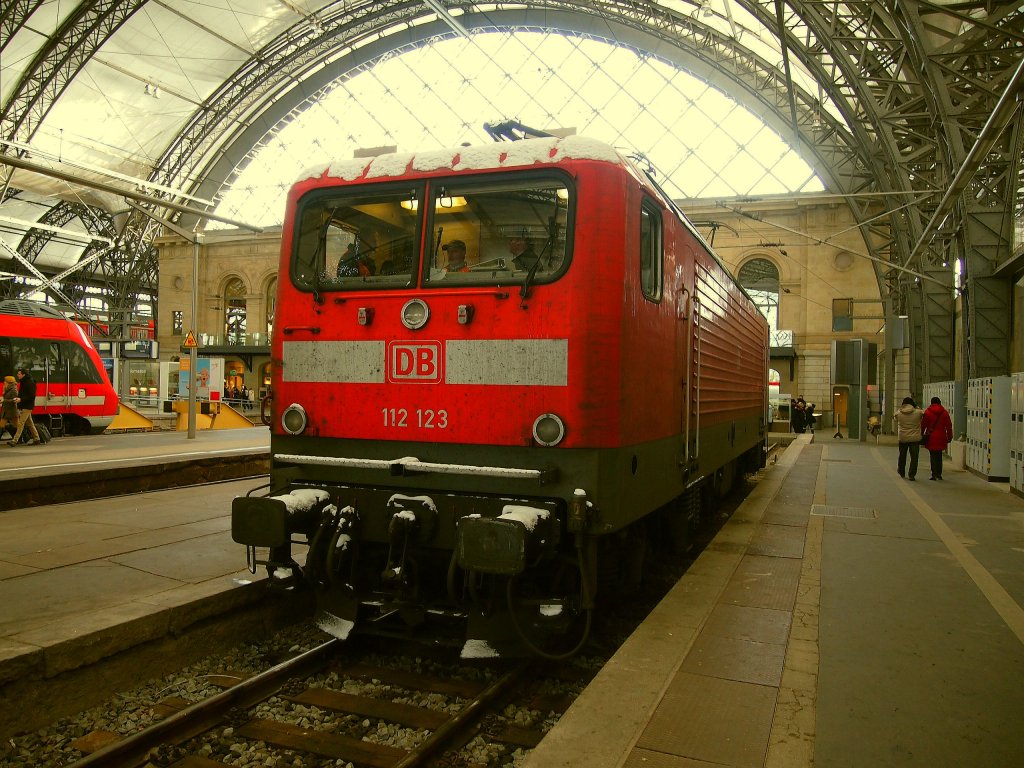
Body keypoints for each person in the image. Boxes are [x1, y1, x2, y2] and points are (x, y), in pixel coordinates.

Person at [921, 396, 954, 480]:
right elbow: (949, 426)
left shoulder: (927, 412)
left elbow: (923, 425)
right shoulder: (944, 413)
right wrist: (950, 436)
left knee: (932, 455)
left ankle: (933, 474)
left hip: (931, 436)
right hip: (941, 436)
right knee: (939, 455)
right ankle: (939, 474)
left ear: (931, 403)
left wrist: (921, 434)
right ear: (940, 403)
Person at [8, 368, 42, 447]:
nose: (17, 375)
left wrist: (20, 399)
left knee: (21, 423)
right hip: (25, 405)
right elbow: (23, 394)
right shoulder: (24, 382)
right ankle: (37, 439)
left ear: (24, 375)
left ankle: (14, 440)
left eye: (19, 374)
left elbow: (31, 396)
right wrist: (18, 398)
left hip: (28, 405)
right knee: (30, 423)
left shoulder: (30, 382)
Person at [893, 396, 924, 480]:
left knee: (902, 455)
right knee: (914, 457)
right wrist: (916, 407)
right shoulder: (918, 412)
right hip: (915, 438)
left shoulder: (899, 413)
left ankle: (901, 471)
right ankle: (911, 475)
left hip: (903, 438)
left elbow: (895, 417)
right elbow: (923, 413)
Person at [0, 375, 18, 439]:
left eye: (5, 381)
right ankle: (19, 438)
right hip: (6, 410)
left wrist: (4, 400)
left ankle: (21, 438)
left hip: (12, 410)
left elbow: (15, 400)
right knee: (1, 425)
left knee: (17, 426)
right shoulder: (7, 388)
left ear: (8, 382)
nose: (4, 382)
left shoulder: (13, 389)